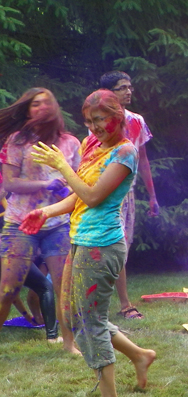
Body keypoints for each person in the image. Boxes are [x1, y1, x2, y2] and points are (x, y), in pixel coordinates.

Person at [20, 89, 156, 396]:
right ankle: (139, 355)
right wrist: (46, 211)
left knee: (89, 322)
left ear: (117, 117)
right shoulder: (91, 144)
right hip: (80, 240)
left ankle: (109, 391)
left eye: (99, 120)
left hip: (103, 246)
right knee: (71, 316)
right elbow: (79, 195)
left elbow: (94, 197)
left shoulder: (125, 153)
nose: (93, 127)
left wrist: (63, 166)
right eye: (88, 121)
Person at [0, 87, 80, 352]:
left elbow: (77, 182)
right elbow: (10, 183)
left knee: (63, 287)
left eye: (46, 102)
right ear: (27, 110)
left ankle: (69, 344)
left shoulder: (70, 143)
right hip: (20, 223)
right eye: (35, 104)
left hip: (56, 224)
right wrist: (47, 184)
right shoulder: (17, 141)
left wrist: (67, 188)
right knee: (9, 289)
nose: (41, 107)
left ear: (55, 107)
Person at [99, 71, 160, 319]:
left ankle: (116, 302)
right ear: (108, 93)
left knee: (123, 248)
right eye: (122, 87)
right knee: (115, 246)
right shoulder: (100, 121)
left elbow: (143, 160)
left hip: (129, 193)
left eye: (130, 87)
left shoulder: (137, 121)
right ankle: (125, 305)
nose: (128, 91)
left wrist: (153, 196)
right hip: (108, 192)